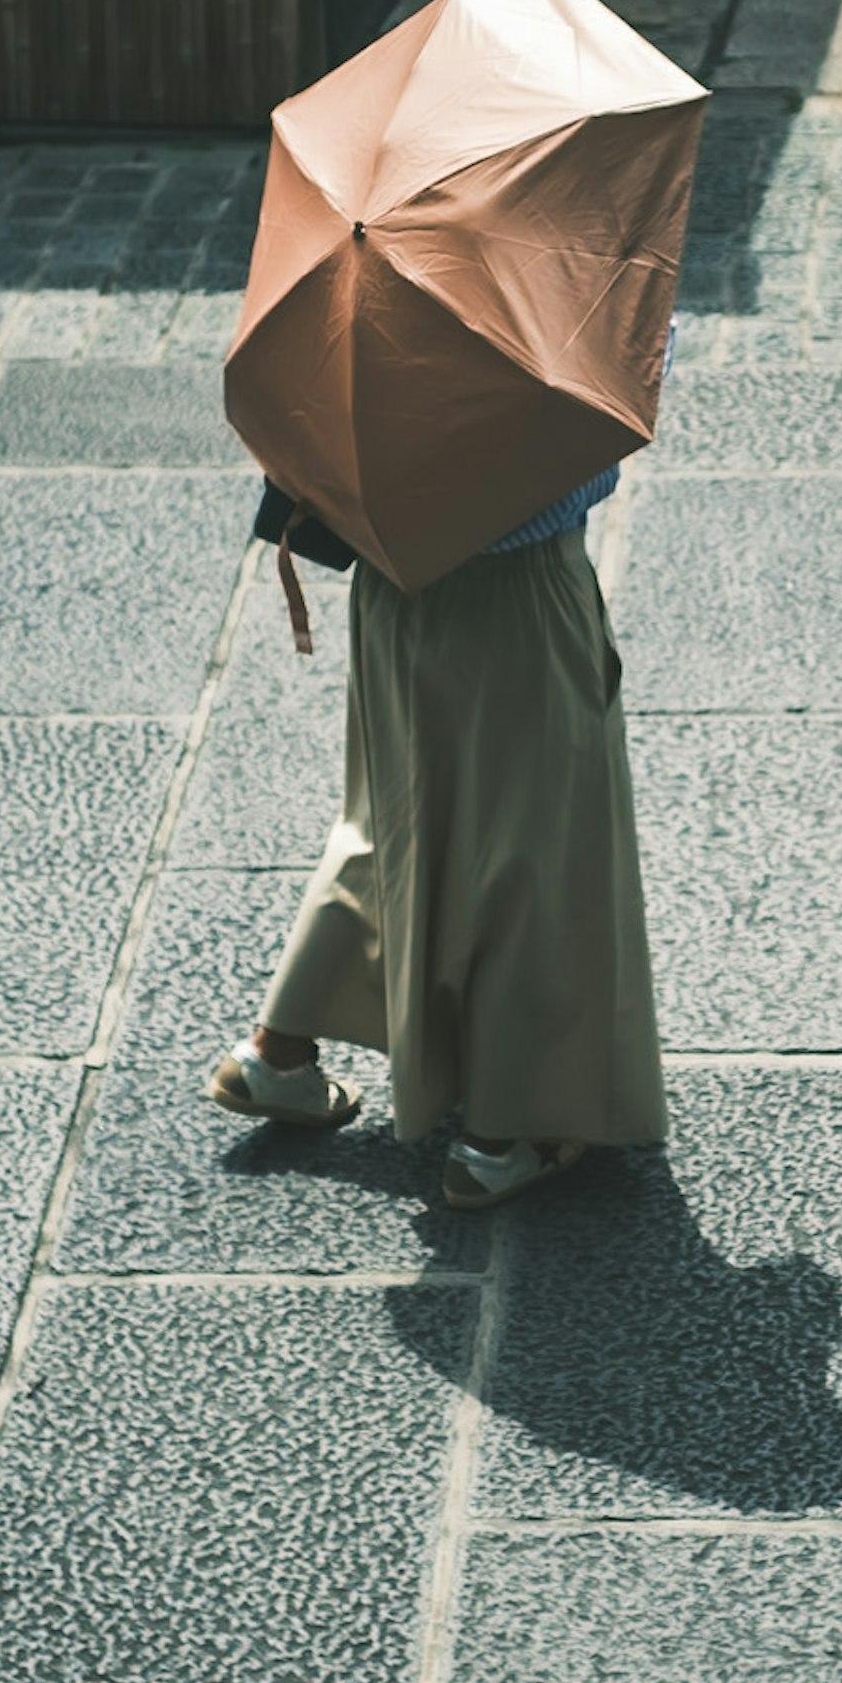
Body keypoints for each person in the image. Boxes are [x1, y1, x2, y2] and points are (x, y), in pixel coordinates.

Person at [203, 453, 664, 1211]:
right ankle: (503, 1133)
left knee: (392, 823)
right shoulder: (536, 345)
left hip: (393, 587)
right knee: (531, 849)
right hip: (520, 595)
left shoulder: (375, 334)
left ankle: (274, 1053)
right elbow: (586, 457)